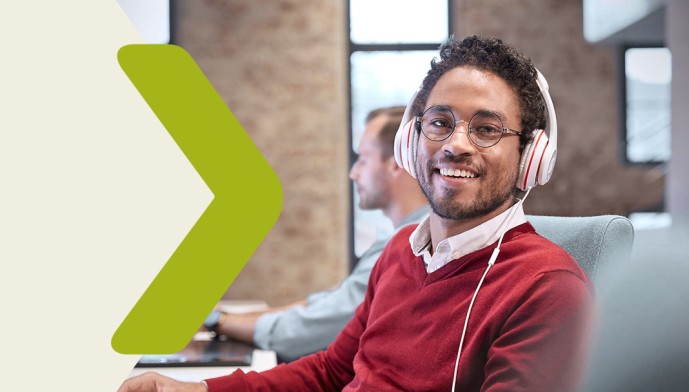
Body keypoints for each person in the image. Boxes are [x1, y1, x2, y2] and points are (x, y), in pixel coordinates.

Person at [119, 35, 593, 392]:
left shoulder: (547, 289)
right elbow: (331, 369)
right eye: (439, 123)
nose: (455, 145)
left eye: (487, 128)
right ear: (412, 141)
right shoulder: (399, 254)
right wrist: (195, 389)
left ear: (532, 156)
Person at [202, 106, 429, 362]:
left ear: (398, 164)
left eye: (363, 159)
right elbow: (323, 306)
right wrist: (225, 316)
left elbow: (307, 332)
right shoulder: (401, 237)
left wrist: (215, 320)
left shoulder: (411, 245)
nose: (353, 173)